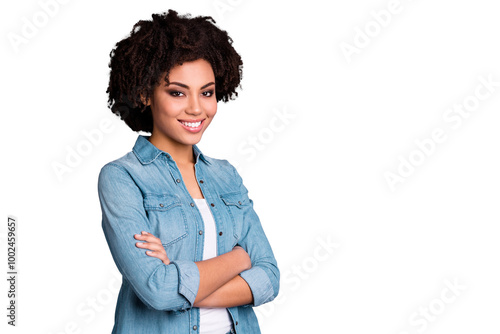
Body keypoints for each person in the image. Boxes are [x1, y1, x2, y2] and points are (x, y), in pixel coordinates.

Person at [97, 9, 280, 334]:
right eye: (177, 92)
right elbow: (158, 289)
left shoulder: (227, 176)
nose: (197, 108)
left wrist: (182, 280)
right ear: (144, 94)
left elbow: (269, 278)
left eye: (206, 92)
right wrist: (239, 260)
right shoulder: (122, 177)